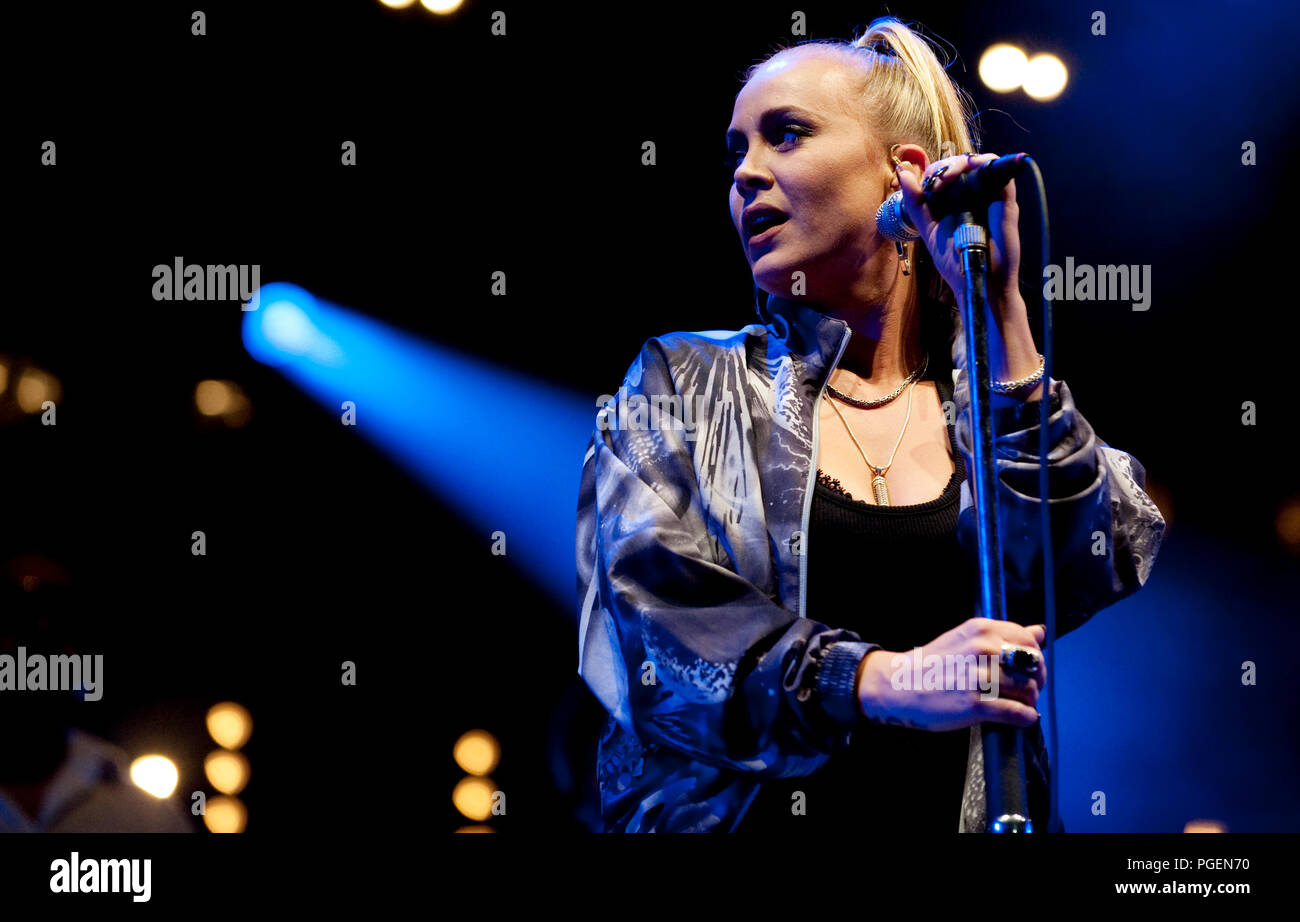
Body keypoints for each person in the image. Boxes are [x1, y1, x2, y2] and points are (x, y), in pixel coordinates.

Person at [574, 17, 1165, 833]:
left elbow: (1090, 558)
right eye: (735, 151)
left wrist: (997, 305)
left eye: (786, 135)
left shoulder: (983, 412)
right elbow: (653, 625)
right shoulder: (686, 381)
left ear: (904, 174)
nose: (746, 173)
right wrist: (887, 679)